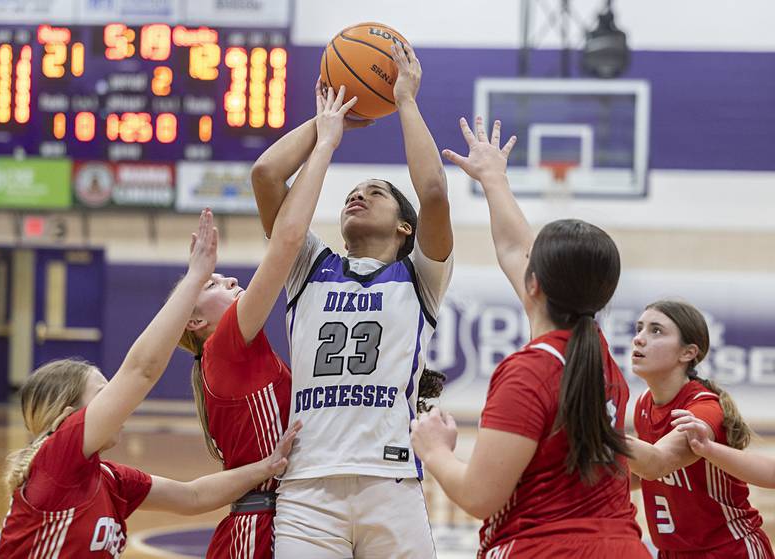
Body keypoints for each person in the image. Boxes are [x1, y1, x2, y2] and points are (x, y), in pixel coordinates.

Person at [0, 210, 300, 558]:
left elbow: (193, 496)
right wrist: (195, 277)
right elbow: (141, 370)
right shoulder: (57, 459)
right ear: (69, 416)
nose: (117, 401)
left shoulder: (109, 478)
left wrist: (267, 466)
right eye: (103, 393)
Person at [410, 116, 650, 558]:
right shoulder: (596, 353)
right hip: (623, 547)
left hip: (547, 549)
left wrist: (435, 451)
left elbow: (480, 497)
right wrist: (492, 179)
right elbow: (516, 249)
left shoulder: (529, 372)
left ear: (533, 285)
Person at [251, 44, 453, 557]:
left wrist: (404, 99)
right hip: (308, 487)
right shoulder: (308, 264)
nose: (355, 196)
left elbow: (433, 192)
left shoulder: (419, 276)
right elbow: (267, 175)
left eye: (375, 193)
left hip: (392, 483)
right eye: (351, 194)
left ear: (405, 227)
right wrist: (324, 129)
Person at [176, 86, 359, 558]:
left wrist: (324, 123)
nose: (230, 279)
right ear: (195, 319)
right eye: (214, 283)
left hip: (285, 515)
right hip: (256, 528)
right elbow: (287, 240)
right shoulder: (225, 347)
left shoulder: (232, 354)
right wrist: (326, 143)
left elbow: (264, 173)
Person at [626, 299, 772, 557]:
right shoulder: (643, 404)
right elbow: (642, 475)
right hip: (674, 551)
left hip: (729, 549)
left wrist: (597, 429)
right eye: (639, 328)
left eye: (655, 330)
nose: (639, 338)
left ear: (688, 353)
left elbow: (655, 464)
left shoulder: (703, 409)